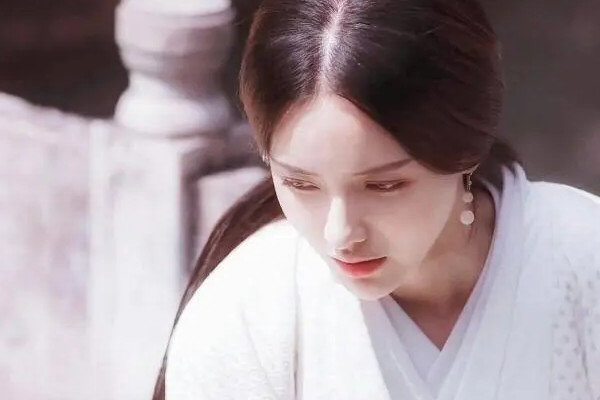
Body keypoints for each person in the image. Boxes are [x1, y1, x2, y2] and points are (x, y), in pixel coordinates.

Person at [157, 0, 600, 399]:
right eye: (301, 184)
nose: (340, 233)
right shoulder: (245, 312)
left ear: (464, 148)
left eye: (384, 185)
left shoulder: (582, 262)